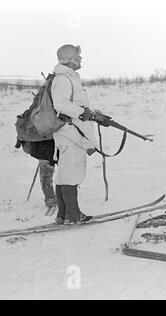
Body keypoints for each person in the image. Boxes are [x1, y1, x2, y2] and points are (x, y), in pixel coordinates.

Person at [51, 44, 99, 225]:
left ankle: (63, 215)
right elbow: (61, 105)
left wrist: (93, 112)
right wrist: (82, 113)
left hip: (70, 132)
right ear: (70, 59)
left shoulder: (68, 77)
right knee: (71, 173)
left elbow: (75, 103)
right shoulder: (64, 79)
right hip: (71, 133)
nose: (80, 59)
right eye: (78, 56)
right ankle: (73, 215)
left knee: (64, 173)